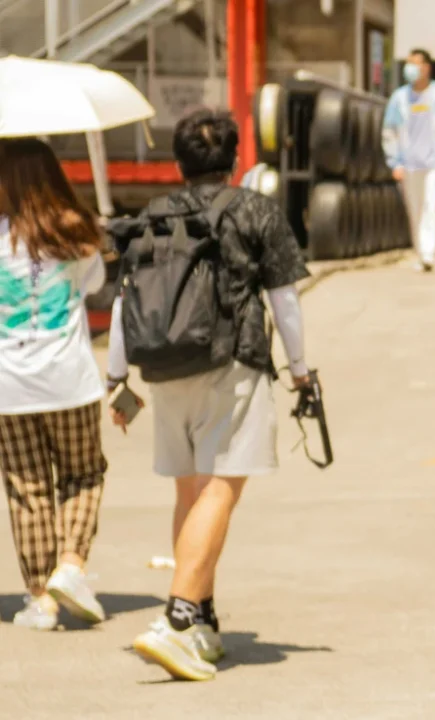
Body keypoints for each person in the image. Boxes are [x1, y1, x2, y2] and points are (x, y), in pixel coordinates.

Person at [107, 109, 311, 682]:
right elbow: (285, 301)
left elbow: (126, 297)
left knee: (189, 493)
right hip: (233, 364)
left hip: (164, 367)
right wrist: (300, 371)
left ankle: (201, 619)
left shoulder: (155, 213)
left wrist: (115, 377)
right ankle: (173, 620)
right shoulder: (255, 210)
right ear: (236, 158)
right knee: (222, 489)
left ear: (178, 163)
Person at [0, 138, 110, 631]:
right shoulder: (78, 234)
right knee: (83, 474)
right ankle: (70, 566)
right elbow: (92, 287)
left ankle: (40, 599)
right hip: (69, 381)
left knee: (28, 490)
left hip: (9, 386)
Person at [382, 47, 435, 272]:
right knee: (414, 210)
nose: (410, 68)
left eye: (415, 63)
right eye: (408, 63)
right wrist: (395, 162)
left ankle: (428, 253)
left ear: (427, 67)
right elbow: (389, 131)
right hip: (409, 165)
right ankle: (420, 252)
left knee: (433, 207)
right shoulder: (399, 98)